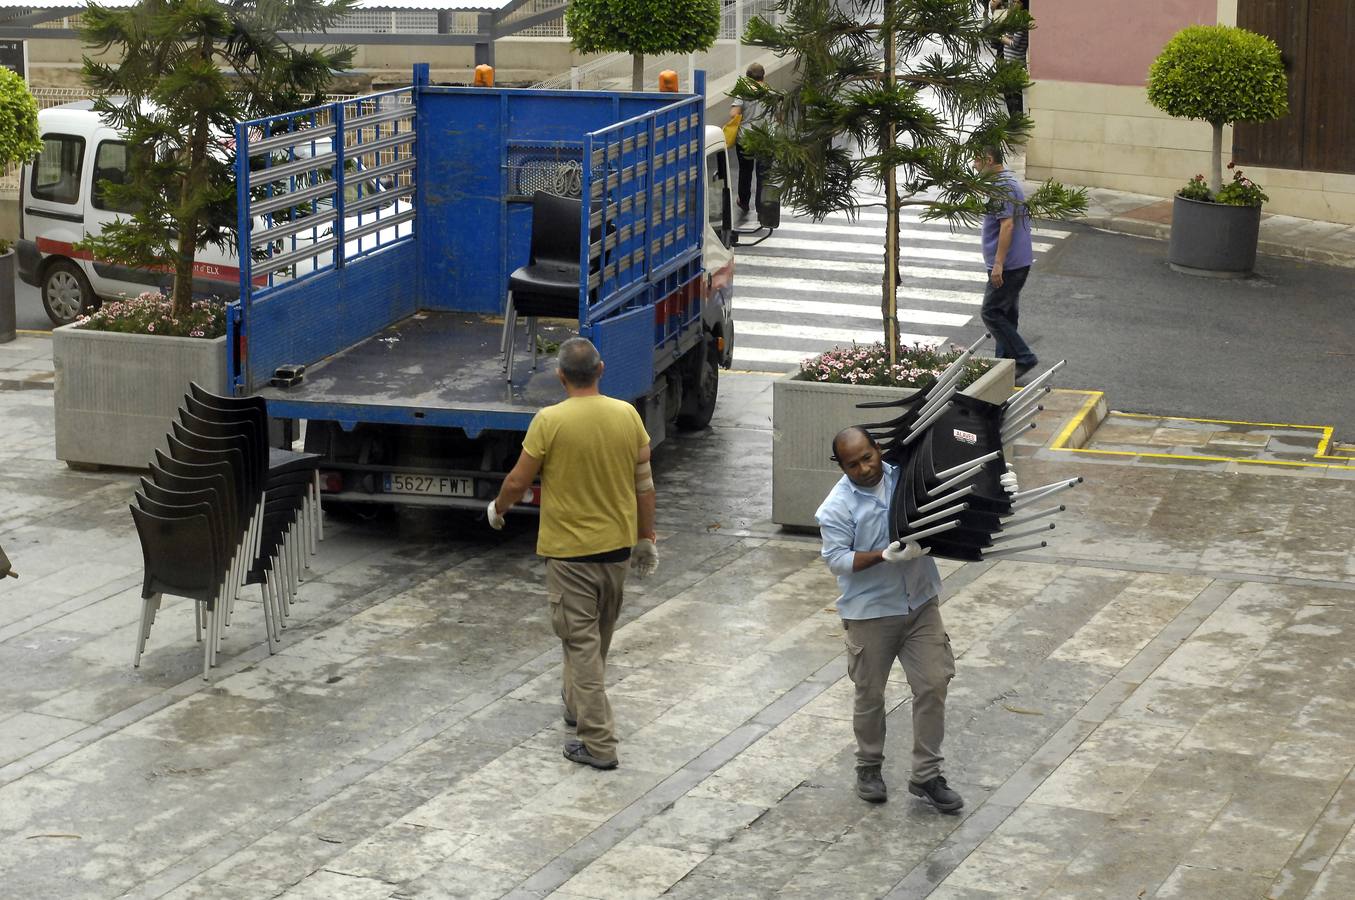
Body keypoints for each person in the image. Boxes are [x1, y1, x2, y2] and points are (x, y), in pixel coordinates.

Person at [488, 337, 659, 771]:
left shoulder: (550, 421)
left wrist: (498, 510)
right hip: (617, 552)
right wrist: (647, 538)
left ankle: (598, 742)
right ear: (601, 369)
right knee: (593, 638)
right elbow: (645, 486)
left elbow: (517, 481)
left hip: (570, 557)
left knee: (580, 643)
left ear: (561, 376)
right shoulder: (627, 416)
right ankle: (575, 706)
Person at [814, 426, 962, 812]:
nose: (864, 468)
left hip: (920, 605)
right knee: (869, 695)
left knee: (933, 683)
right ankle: (868, 767)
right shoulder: (836, 507)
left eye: (867, 456)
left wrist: (998, 487)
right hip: (871, 614)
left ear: (878, 449)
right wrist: (882, 556)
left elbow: (956, 482)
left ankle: (927, 775)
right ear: (841, 467)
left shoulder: (906, 475)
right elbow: (837, 561)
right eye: (853, 464)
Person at [975, 144, 1038, 379]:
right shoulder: (1006, 181)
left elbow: (1007, 225)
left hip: (1009, 265)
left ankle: (1023, 357)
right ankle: (1004, 367)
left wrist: (998, 264)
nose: (974, 165)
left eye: (977, 160)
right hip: (1018, 261)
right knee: (1006, 314)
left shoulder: (1001, 186)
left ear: (989, 160)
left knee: (991, 312)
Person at [726, 62, 769, 224]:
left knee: (745, 171)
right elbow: (779, 116)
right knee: (763, 174)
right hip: (765, 138)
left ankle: (743, 202)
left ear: (747, 77)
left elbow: (733, 113)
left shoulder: (743, 92)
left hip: (745, 138)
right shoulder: (770, 92)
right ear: (763, 76)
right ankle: (761, 207)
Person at [1000, 0, 1029, 117]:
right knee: (1008, 94)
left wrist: (1001, 38)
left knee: (1014, 96)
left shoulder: (1022, 21)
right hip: (1008, 61)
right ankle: (1014, 119)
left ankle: (1017, 120)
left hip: (1015, 62)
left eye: (1018, 2)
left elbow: (1014, 44)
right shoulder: (1014, 17)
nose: (1015, 4)